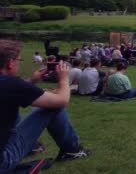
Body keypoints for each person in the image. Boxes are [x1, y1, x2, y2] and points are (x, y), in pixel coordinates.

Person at [0, 40, 90, 171]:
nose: (19, 63)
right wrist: (64, 79)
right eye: (19, 60)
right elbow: (62, 100)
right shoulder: (11, 84)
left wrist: (31, 81)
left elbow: (9, 95)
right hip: (3, 160)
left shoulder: (10, 86)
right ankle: (71, 150)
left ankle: (33, 147)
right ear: (10, 63)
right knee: (52, 108)